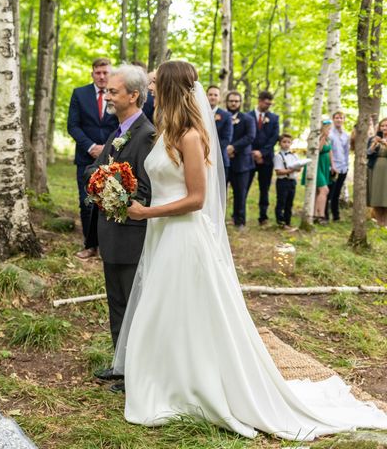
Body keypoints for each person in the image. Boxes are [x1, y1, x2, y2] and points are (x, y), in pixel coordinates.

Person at [112, 60, 387, 439]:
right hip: (162, 233)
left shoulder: (191, 136)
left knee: (177, 308)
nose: (151, 88)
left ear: (172, 87)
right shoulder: (164, 131)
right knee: (161, 309)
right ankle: (165, 378)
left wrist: (147, 211)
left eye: (157, 83)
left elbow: (196, 198)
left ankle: (193, 385)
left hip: (183, 236)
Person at [85, 65, 155, 392]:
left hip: (131, 235)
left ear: (133, 95)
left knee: (133, 307)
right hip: (110, 234)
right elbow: (97, 169)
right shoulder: (117, 132)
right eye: (108, 91)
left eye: (114, 92)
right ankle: (120, 363)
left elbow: (145, 191)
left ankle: (137, 374)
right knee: (116, 304)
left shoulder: (146, 135)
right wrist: (98, 181)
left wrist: (110, 193)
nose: (108, 96)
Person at [68, 58, 118, 259]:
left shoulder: (117, 94)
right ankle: (90, 245)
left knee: (111, 201)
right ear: (92, 74)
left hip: (114, 155)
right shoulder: (80, 94)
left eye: (106, 72)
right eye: (98, 73)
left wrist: (106, 148)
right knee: (86, 202)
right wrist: (90, 147)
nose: (102, 76)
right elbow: (73, 125)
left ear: (110, 73)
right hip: (86, 157)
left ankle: (108, 247)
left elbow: (122, 122)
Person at [248, 91, 280, 225]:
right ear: (260, 101)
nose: (268, 106)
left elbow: (274, 138)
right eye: (266, 103)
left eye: (270, 104)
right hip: (248, 158)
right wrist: (252, 152)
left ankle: (263, 217)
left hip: (266, 159)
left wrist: (262, 153)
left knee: (264, 188)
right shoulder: (247, 116)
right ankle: (239, 216)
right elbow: (245, 135)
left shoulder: (274, 118)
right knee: (244, 187)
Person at [225, 91, 255, 230]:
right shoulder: (223, 117)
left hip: (242, 162)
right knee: (220, 192)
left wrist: (233, 148)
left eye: (236, 101)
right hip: (224, 161)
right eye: (231, 101)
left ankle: (240, 220)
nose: (233, 103)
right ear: (227, 102)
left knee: (240, 193)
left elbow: (250, 137)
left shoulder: (248, 119)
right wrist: (224, 149)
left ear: (240, 103)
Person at [302, 120, 335, 224]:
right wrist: (323, 137)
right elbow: (318, 150)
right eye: (329, 129)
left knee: (318, 191)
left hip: (324, 166)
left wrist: (332, 165)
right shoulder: (316, 138)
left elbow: (330, 151)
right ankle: (321, 215)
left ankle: (315, 214)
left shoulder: (329, 139)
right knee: (324, 190)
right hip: (315, 166)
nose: (330, 131)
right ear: (324, 128)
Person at [326, 111, 350, 221]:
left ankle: (336, 216)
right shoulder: (329, 134)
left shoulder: (346, 135)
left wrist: (346, 166)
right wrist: (332, 166)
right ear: (333, 119)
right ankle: (324, 215)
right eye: (337, 117)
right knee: (329, 192)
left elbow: (346, 151)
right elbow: (328, 151)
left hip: (343, 167)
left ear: (344, 120)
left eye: (341, 118)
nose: (339, 119)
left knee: (337, 193)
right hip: (332, 167)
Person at [273, 133, 301, 229]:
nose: (286, 144)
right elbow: (278, 171)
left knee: (290, 202)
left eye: (289, 142)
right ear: (280, 143)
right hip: (282, 181)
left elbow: (299, 168)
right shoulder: (278, 156)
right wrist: (291, 170)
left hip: (292, 181)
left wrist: (294, 169)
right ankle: (281, 221)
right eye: (284, 142)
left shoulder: (294, 155)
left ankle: (288, 221)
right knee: (281, 201)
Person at [206, 85, 233, 182]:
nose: (212, 97)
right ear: (206, 96)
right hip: (201, 160)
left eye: (215, 95)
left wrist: (209, 151)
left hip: (220, 159)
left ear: (219, 98)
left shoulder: (226, 116)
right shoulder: (199, 113)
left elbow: (227, 139)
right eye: (210, 94)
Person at [367, 117, 387, 226]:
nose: (384, 128)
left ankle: (386, 222)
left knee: (385, 196)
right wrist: (374, 143)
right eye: (382, 126)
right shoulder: (373, 139)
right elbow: (368, 153)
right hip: (375, 169)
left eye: (386, 126)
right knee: (377, 196)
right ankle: (380, 223)